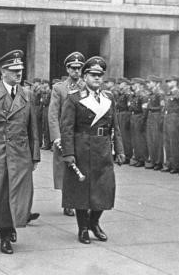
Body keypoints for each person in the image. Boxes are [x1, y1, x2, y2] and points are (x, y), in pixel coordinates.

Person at [0, 49, 40, 255]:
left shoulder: (27, 94)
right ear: (3, 71)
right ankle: (4, 234)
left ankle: (13, 224)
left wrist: (35, 154)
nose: (18, 74)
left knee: (20, 193)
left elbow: (33, 127)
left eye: (20, 70)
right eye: (13, 70)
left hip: (21, 152)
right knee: (1, 194)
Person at [60, 56, 124, 244]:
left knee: (104, 187)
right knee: (82, 190)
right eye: (93, 75)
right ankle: (83, 228)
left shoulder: (109, 98)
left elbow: (115, 126)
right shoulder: (74, 99)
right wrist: (69, 153)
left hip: (103, 147)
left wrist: (119, 149)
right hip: (82, 147)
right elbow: (67, 128)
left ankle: (94, 222)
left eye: (100, 75)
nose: (97, 79)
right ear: (85, 76)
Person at [48, 51, 86, 217]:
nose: (76, 71)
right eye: (73, 68)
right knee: (65, 169)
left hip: (83, 134)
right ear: (68, 69)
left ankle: (81, 201)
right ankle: (68, 202)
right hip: (65, 135)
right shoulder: (59, 88)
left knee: (83, 166)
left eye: (79, 68)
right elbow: (53, 114)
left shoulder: (87, 87)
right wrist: (56, 137)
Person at [162, 76, 179, 174]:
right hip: (167, 117)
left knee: (174, 142)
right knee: (167, 142)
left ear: (175, 82)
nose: (168, 84)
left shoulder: (178, 93)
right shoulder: (168, 93)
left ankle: (175, 165)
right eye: (167, 82)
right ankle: (168, 163)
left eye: (170, 82)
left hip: (174, 117)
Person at [128, 77, 149, 167]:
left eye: (134, 84)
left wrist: (142, 121)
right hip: (133, 116)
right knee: (134, 139)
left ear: (140, 85)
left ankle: (142, 159)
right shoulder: (134, 95)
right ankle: (137, 157)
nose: (132, 86)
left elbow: (144, 109)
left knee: (140, 139)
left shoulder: (143, 95)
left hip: (139, 116)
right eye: (132, 84)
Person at [145, 75, 164, 170]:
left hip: (157, 116)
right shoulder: (151, 93)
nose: (148, 84)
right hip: (151, 116)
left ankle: (158, 162)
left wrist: (160, 120)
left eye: (150, 82)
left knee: (157, 140)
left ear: (157, 83)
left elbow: (162, 107)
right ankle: (153, 160)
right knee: (150, 140)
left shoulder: (159, 93)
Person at [115, 77, 133, 163]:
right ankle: (123, 155)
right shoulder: (121, 93)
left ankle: (128, 156)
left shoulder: (128, 94)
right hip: (120, 114)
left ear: (125, 84)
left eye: (120, 83)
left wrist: (128, 119)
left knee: (125, 137)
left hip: (125, 114)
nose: (119, 85)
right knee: (121, 136)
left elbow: (129, 107)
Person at [40, 80, 52, 150]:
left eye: (43, 84)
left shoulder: (49, 92)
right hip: (45, 110)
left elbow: (46, 102)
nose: (42, 85)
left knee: (47, 128)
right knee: (44, 127)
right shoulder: (45, 92)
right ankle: (46, 144)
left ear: (47, 84)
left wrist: (42, 100)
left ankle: (48, 145)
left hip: (47, 110)